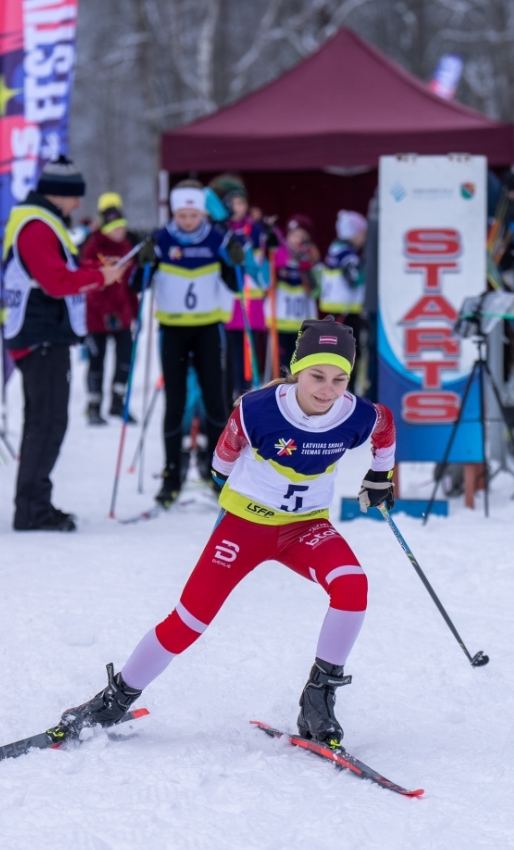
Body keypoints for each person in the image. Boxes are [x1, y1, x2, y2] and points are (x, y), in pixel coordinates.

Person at [49, 318, 395, 747]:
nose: (328, 389)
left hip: (305, 528)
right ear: (296, 370)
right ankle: (114, 700)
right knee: (189, 621)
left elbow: (383, 425)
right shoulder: (257, 408)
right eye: (317, 376)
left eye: (340, 378)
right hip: (245, 526)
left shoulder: (355, 413)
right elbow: (221, 462)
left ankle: (318, 699)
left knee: (352, 585)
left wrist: (380, 476)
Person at [3, 157, 127, 530]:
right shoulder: (36, 226)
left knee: (47, 422)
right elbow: (56, 282)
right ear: (60, 194)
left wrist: (94, 275)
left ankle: (34, 504)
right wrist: (100, 278)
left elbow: (57, 276)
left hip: (44, 334)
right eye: (75, 197)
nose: (78, 205)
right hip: (40, 335)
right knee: (46, 423)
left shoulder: (41, 222)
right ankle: (31, 509)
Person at [136, 180, 243, 508]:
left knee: (215, 403)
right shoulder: (161, 238)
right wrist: (145, 261)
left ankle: (218, 476)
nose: (187, 221)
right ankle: (171, 476)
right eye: (181, 215)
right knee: (175, 403)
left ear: (201, 213)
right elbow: (136, 285)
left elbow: (235, 285)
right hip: (173, 331)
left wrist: (234, 261)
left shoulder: (216, 237)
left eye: (192, 215)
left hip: (208, 330)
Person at [79, 192, 139, 424]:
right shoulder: (94, 246)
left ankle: (118, 401)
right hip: (97, 319)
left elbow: (130, 284)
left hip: (122, 316)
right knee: (97, 360)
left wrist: (134, 310)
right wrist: (105, 313)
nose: (120, 232)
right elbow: (90, 285)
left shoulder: (126, 246)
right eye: (115, 228)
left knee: (125, 358)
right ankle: (94, 405)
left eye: (122, 227)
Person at [210, 176, 272, 403]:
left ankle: (244, 395)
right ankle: (226, 396)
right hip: (227, 299)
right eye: (233, 203)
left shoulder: (253, 229)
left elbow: (262, 267)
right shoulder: (218, 228)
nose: (238, 208)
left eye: (241, 203)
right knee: (225, 352)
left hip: (249, 300)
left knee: (247, 354)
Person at [318, 210, 368, 368]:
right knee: (348, 353)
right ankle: (347, 387)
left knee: (336, 351)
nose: (364, 237)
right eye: (362, 232)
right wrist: (368, 271)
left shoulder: (334, 249)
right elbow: (354, 279)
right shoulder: (347, 255)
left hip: (333, 309)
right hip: (345, 311)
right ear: (353, 233)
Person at [270, 215, 320, 368]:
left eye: (301, 235)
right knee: (281, 363)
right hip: (281, 319)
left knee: (299, 363)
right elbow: (267, 282)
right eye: (293, 235)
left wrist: (307, 271)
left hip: (302, 323)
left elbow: (316, 291)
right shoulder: (279, 256)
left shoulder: (312, 259)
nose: (296, 239)